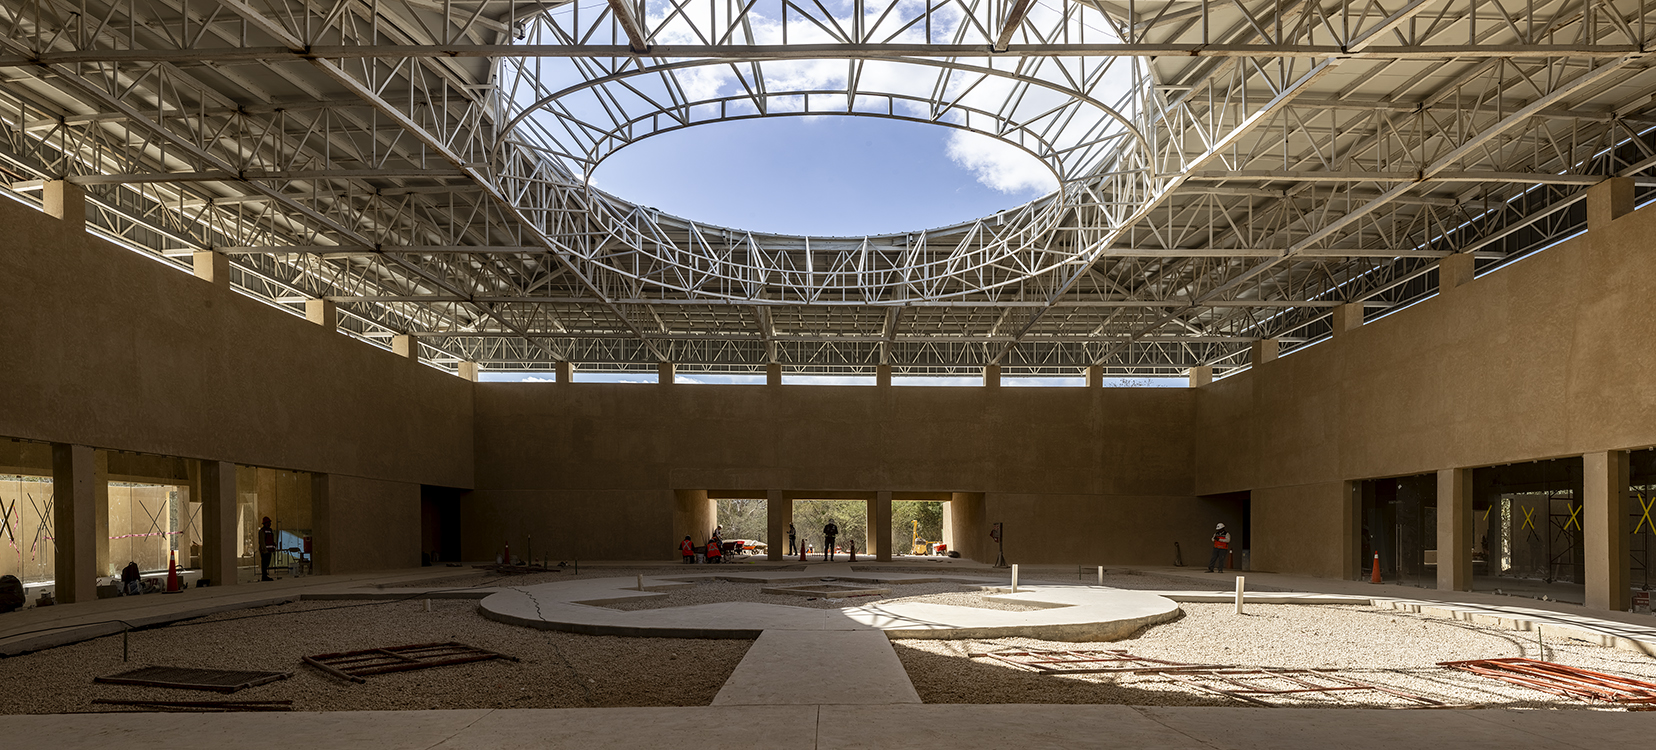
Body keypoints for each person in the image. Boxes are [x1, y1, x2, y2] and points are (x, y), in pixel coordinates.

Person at [259, 517, 277, 581]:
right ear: (264, 524)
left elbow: (271, 540)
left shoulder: (270, 530)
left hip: (269, 550)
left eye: (269, 523)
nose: (269, 524)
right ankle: (264, 576)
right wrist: (264, 550)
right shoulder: (262, 531)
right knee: (264, 564)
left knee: (267, 563)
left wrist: (273, 547)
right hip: (265, 551)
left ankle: (265, 575)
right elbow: (262, 541)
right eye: (267, 523)